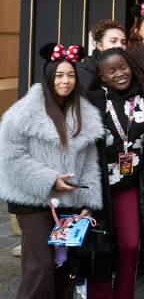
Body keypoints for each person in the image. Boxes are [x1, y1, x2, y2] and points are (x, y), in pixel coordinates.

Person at [0, 43, 102, 299]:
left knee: (63, 265)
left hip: (69, 200)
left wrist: (87, 203)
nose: (65, 81)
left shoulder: (85, 114)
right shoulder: (23, 112)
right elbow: (10, 158)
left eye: (70, 75)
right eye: (59, 75)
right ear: (48, 77)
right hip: (31, 197)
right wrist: (49, 179)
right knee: (42, 264)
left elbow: (89, 163)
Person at [86, 47, 144, 299]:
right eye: (111, 70)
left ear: (132, 67)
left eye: (123, 67)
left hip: (129, 184)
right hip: (97, 187)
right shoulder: (92, 101)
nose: (119, 73)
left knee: (130, 245)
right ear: (102, 76)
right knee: (100, 245)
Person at [80, 20, 128, 90]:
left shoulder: (130, 68)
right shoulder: (84, 72)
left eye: (123, 42)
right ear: (99, 45)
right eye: (113, 41)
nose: (120, 45)